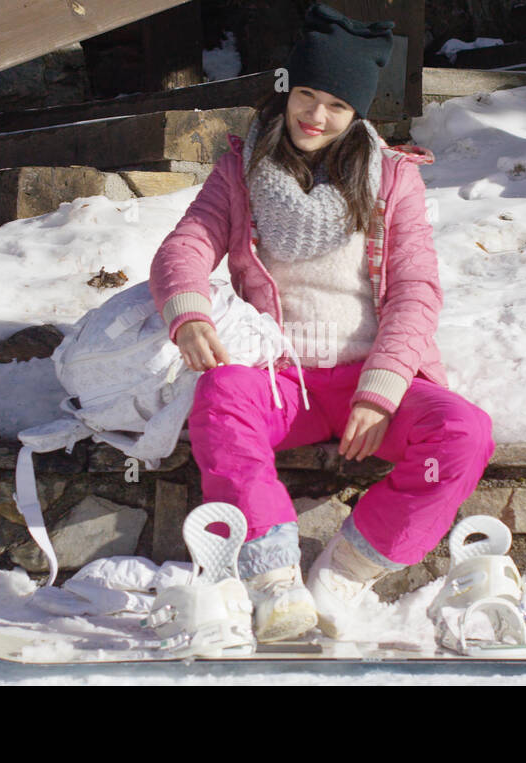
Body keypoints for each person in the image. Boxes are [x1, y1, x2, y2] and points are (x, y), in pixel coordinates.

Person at [148, 2, 495, 642]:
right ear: (285, 91)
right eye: (306, 94)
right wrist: (188, 311)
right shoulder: (241, 168)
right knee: (221, 396)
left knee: (465, 434)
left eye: (337, 105)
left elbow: (416, 291)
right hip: (283, 378)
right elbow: (186, 247)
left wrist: (382, 389)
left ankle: (342, 574)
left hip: (370, 379)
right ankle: (274, 580)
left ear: (356, 113)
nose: (316, 116)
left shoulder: (391, 178)